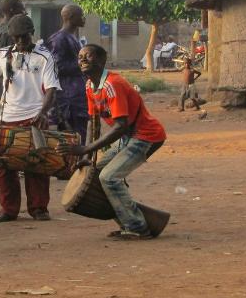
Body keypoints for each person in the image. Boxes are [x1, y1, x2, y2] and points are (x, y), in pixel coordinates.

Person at [57, 44, 167, 240]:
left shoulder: (112, 84)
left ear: (101, 60)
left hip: (145, 136)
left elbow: (120, 126)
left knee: (109, 177)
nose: (82, 60)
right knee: (97, 174)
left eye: (87, 57)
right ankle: (129, 222)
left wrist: (86, 147)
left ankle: (137, 227)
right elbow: (93, 123)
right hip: (129, 137)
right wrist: (87, 157)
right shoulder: (90, 85)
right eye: (80, 57)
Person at [0, 14, 59, 223]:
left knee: (37, 165)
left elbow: (51, 90)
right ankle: (8, 210)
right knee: (4, 166)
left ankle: (38, 208)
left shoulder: (45, 57)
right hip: (6, 118)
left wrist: (43, 113)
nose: (20, 42)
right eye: (16, 38)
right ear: (10, 36)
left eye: (24, 37)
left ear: (32, 34)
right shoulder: (1, 55)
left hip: (34, 118)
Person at [47, 4, 89, 142]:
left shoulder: (73, 37)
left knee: (80, 135)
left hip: (77, 96)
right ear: (71, 17)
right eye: (81, 15)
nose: (84, 18)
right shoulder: (59, 39)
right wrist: (82, 64)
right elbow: (56, 67)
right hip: (68, 99)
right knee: (71, 138)